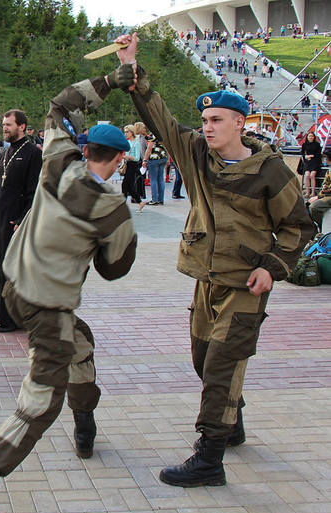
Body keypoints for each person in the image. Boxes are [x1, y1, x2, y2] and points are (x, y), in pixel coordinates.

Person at [118, 32, 315, 487]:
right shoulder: (197, 156)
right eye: (205, 120)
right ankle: (232, 422)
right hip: (207, 280)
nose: (207, 127)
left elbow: (299, 227)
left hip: (246, 284)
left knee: (222, 366)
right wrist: (132, 69)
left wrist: (271, 268)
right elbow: (161, 119)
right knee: (204, 360)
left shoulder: (270, 171)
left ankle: (209, 459)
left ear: (240, 123)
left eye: (217, 120)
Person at [0, 70, 139, 513]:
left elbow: (60, 104)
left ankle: (84, 421)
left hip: (13, 289)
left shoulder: (58, 160)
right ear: (119, 160)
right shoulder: (112, 208)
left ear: (85, 149)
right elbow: (115, 268)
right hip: (48, 304)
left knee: (81, 344)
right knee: (41, 400)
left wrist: (114, 78)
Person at [0, 109, 42, 333]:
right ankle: (4, 311)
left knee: (12, 270)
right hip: (0, 219)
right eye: (4, 125)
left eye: (8, 125)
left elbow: (34, 192)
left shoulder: (33, 153)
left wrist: (22, 218)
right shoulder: (6, 152)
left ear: (21, 126)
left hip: (16, 222)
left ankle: (13, 317)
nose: (4, 128)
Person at [141, 132, 168, 206]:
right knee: (161, 178)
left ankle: (154, 199)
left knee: (153, 179)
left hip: (154, 158)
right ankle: (161, 199)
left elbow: (149, 148)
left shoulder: (153, 135)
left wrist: (145, 160)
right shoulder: (164, 134)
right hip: (163, 157)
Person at [308, 153, 331, 231]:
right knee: (307, 204)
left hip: (329, 196)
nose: (324, 160)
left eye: (325, 158)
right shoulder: (329, 171)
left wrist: (319, 197)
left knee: (314, 207)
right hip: (327, 195)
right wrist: (321, 192)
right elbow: (325, 184)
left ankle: (321, 228)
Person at [121, 125, 143, 204]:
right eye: (125, 132)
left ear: (132, 132)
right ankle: (139, 201)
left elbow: (137, 158)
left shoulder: (136, 143)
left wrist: (129, 157)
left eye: (127, 132)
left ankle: (123, 203)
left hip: (133, 165)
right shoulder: (127, 142)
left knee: (125, 184)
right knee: (129, 186)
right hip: (127, 164)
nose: (126, 134)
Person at [301, 132, 322, 198]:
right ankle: (307, 192)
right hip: (308, 161)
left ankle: (313, 192)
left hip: (315, 161)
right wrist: (306, 157)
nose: (311, 137)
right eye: (309, 136)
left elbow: (319, 154)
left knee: (312, 175)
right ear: (307, 137)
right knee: (307, 175)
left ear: (314, 137)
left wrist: (311, 156)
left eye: (312, 136)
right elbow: (302, 153)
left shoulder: (317, 144)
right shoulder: (304, 144)